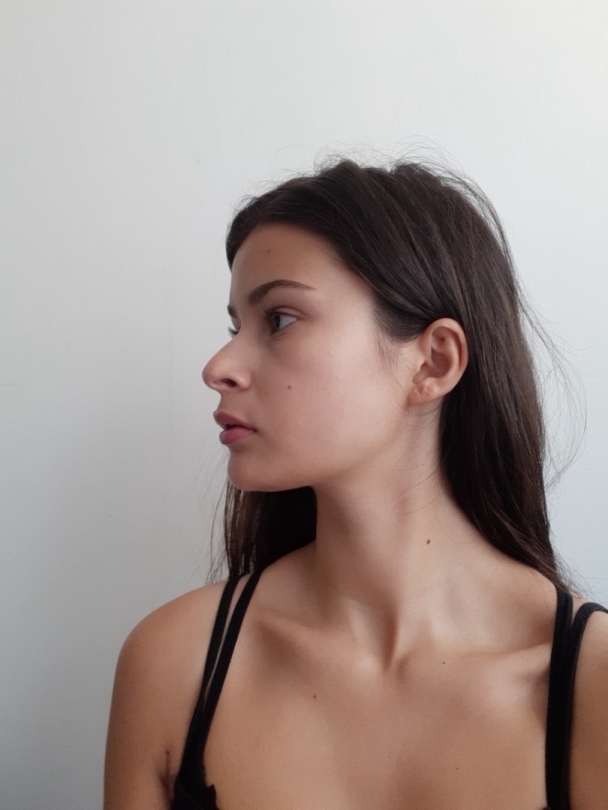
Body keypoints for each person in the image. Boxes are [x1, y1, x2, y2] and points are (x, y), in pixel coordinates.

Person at [103, 157, 608, 810]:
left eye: (279, 319)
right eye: (235, 327)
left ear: (433, 362)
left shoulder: (590, 685)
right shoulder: (175, 665)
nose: (218, 366)